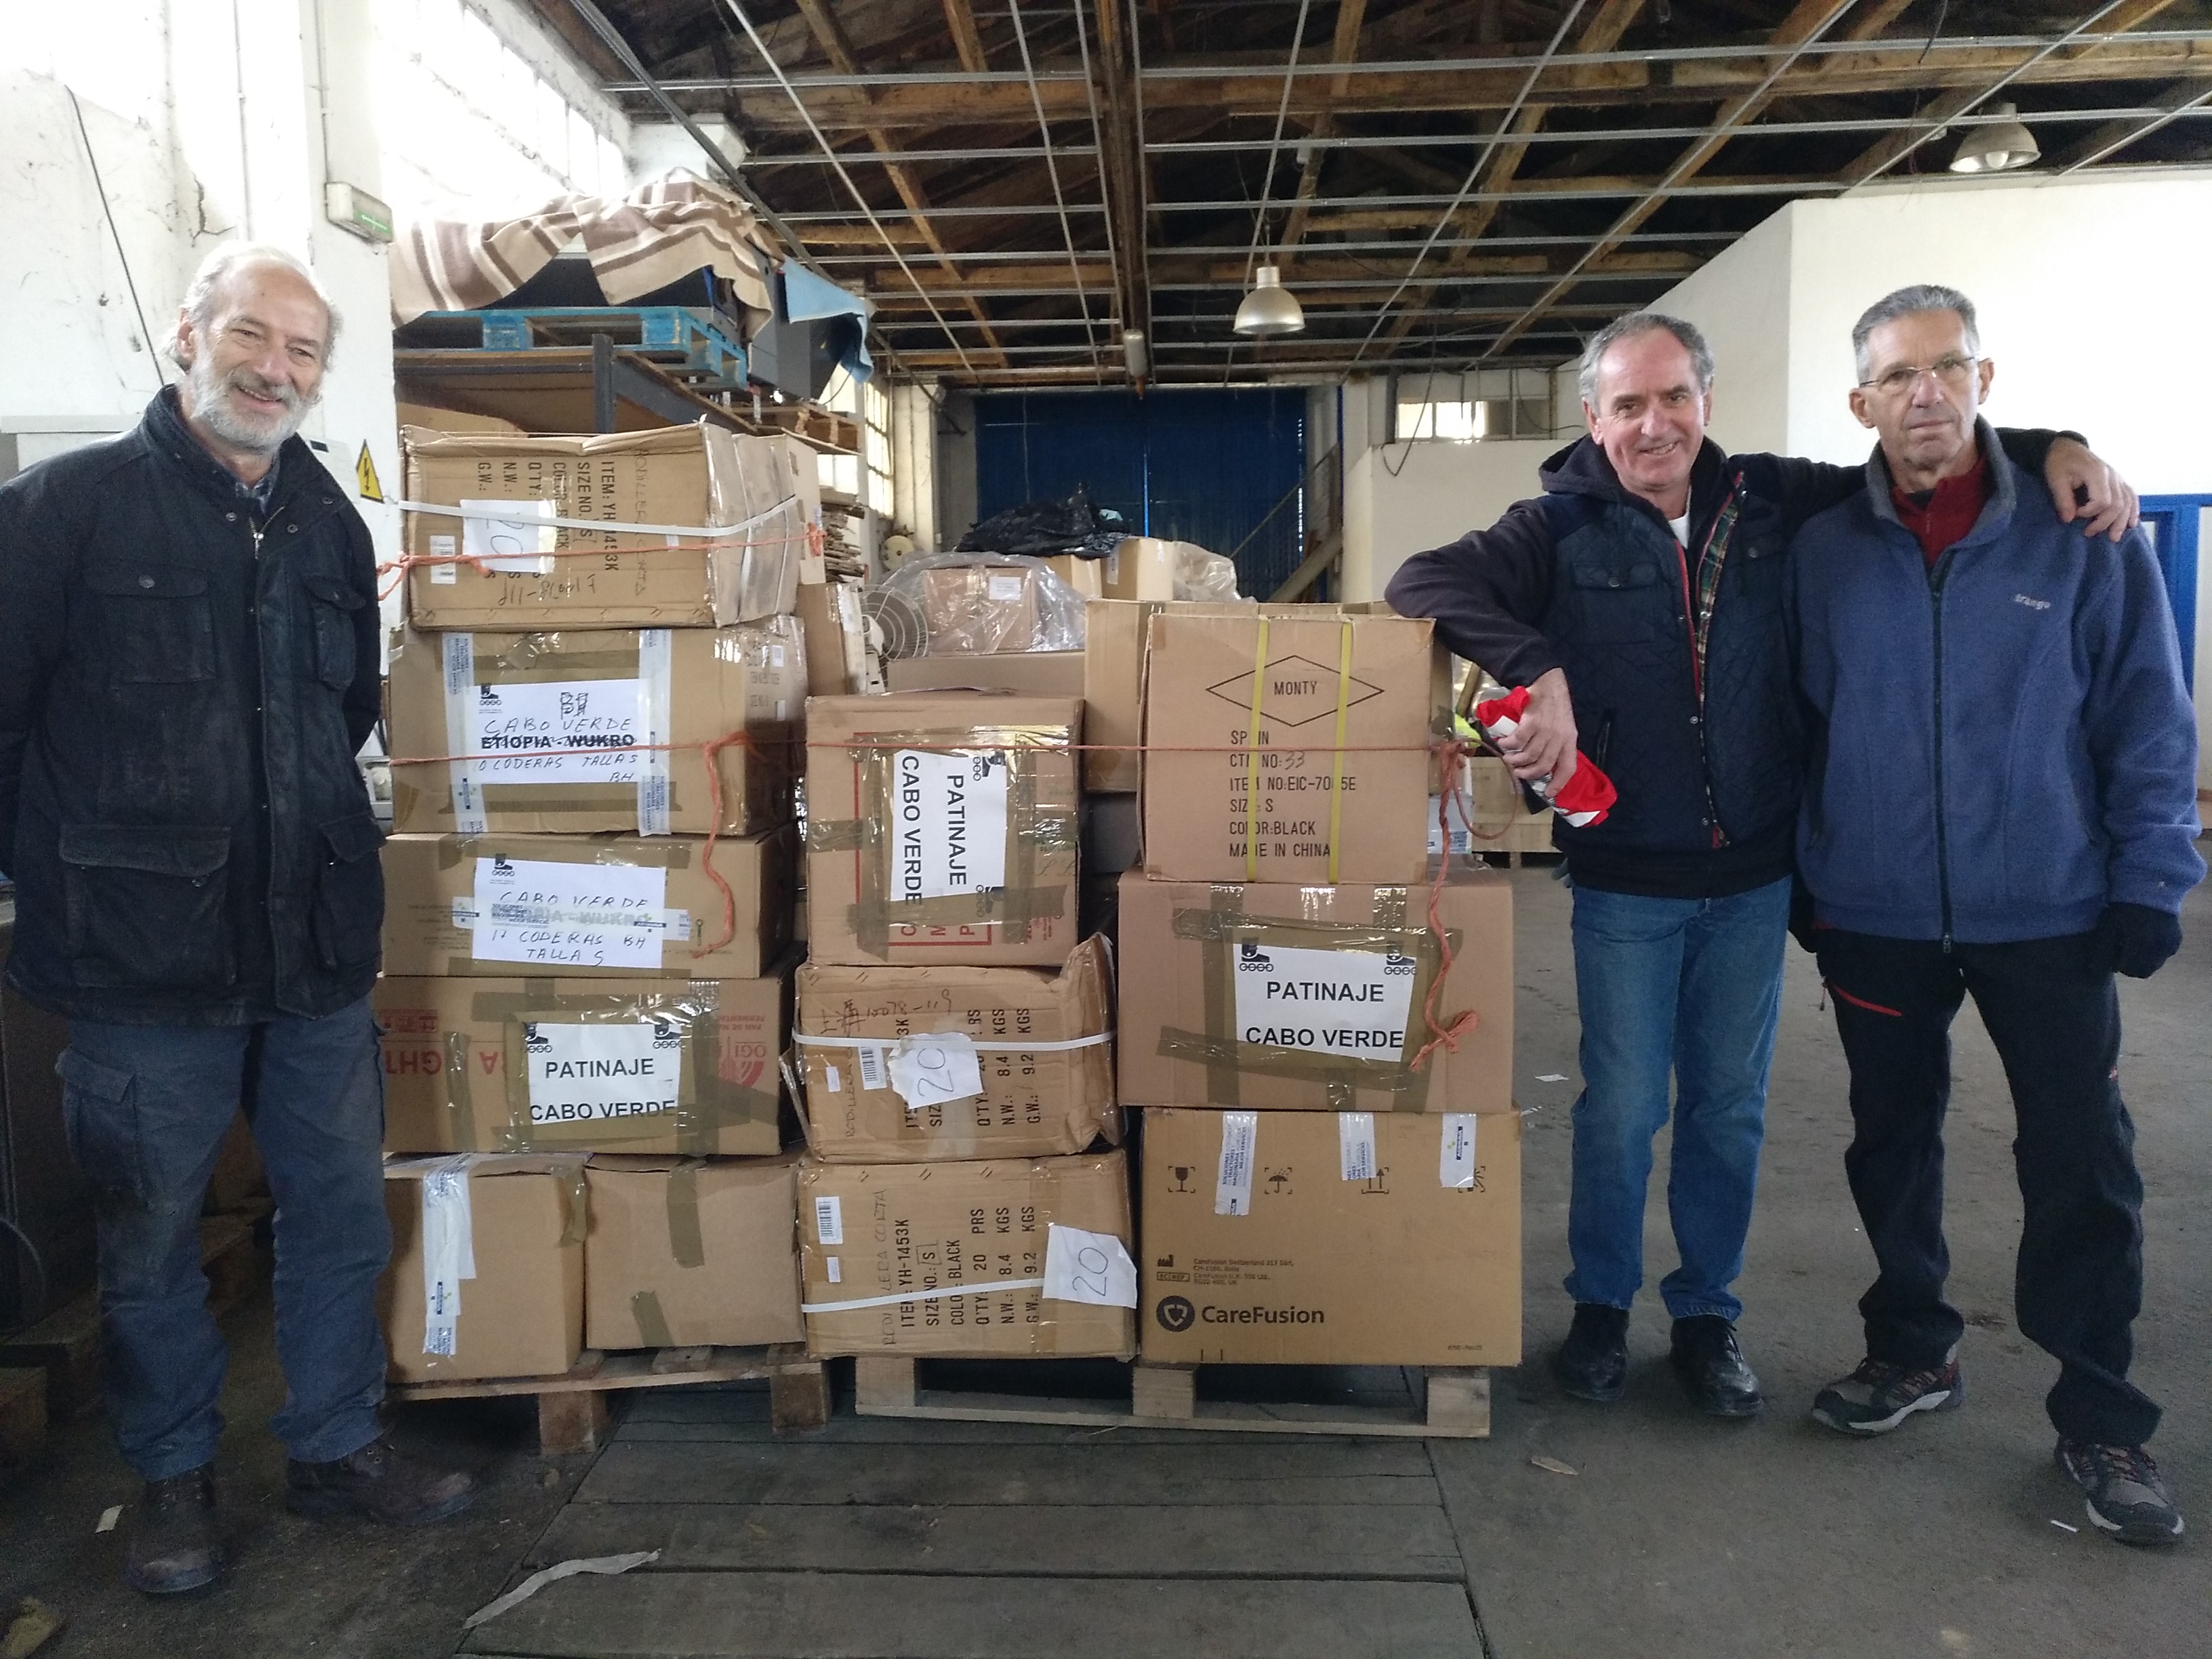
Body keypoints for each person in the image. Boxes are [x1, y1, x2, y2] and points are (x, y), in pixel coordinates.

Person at [1385, 311, 2134, 1420]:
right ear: (1593, 417)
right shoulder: (1553, 528)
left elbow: (1918, 446)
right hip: (1626, 883)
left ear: (1706, 402)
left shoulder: (1775, 499)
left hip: (1753, 880)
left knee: (1728, 1111)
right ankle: (1601, 1307)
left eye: (1674, 398)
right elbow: (1420, 582)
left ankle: (1707, 1316)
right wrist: (1536, 666)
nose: (1654, 424)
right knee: (1621, 1111)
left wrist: (2053, 447)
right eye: (1629, 405)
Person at [0, 242, 477, 1595]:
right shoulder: (60, 514)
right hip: (140, 962)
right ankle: (172, 1480)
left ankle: (335, 1446)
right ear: (185, 335)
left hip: (312, 944)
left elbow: (342, 717)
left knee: (337, 1214)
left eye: (303, 350)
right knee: (150, 1236)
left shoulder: (329, 522)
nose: (276, 369)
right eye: (251, 336)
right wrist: (66, 884)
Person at [1789, 284, 2200, 1544]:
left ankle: (2102, 1418)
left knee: (2082, 1161)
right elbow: (1801, 716)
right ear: (1860, 402)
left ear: (1985, 379)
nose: (1926, 394)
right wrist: (1813, 871)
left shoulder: (2083, 534)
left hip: (2049, 909)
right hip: (1876, 910)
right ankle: (1915, 1347)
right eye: (1898, 377)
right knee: (1890, 1141)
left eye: (1948, 368)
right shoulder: (1823, 547)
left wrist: (2151, 877)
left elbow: (2146, 714)